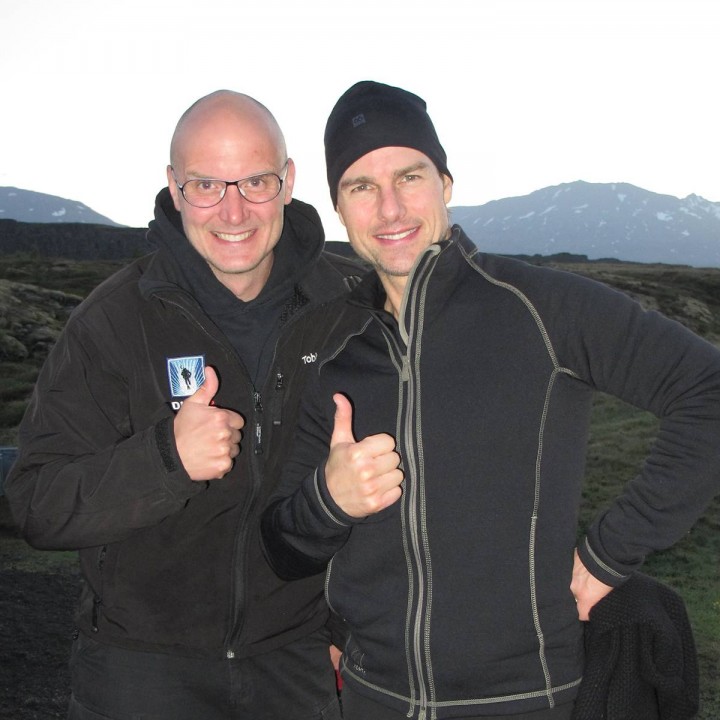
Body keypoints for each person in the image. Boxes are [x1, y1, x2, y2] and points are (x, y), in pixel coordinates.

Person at [260, 80, 720, 719]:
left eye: (410, 176)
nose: (390, 208)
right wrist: (327, 500)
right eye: (361, 186)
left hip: (526, 701)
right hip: (372, 699)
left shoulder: (540, 309)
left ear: (445, 183)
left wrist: (609, 553)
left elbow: (707, 389)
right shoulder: (331, 346)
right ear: (339, 206)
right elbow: (281, 545)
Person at [5, 89, 361, 720]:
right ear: (174, 187)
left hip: (298, 666)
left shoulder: (348, 313)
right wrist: (166, 460)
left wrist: (342, 625)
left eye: (255, 181)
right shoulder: (113, 323)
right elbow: (37, 502)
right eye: (205, 184)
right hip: (140, 672)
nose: (232, 210)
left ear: (288, 181)